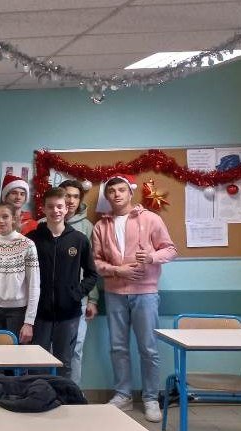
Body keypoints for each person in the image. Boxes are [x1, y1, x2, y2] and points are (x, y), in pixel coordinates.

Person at [93, 174, 176, 422]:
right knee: (118, 347)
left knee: (148, 348)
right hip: (114, 293)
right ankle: (123, 395)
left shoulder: (150, 218)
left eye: (121, 190)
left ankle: (151, 398)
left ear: (130, 192)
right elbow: (96, 261)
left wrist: (151, 257)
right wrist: (117, 270)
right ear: (107, 196)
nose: (116, 194)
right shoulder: (101, 226)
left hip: (145, 293)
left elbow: (170, 249)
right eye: (111, 191)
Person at [27, 188, 98, 381]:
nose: (55, 211)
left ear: (66, 209)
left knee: (64, 363)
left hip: (68, 314)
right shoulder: (33, 239)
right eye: (50, 207)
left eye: (59, 206)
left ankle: (63, 397)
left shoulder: (79, 240)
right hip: (39, 313)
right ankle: (38, 395)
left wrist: (76, 293)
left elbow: (92, 274)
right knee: (37, 363)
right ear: (43, 209)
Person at [47, 179, 99, 384]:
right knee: (49, 349)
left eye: (76, 196)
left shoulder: (87, 227)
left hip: (77, 299)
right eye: (67, 195)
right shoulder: (43, 224)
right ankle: (48, 390)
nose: (71, 200)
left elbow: (91, 266)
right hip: (48, 301)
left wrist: (92, 299)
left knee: (75, 348)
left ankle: (72, 392)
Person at [0, 202, 39, 344]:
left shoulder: (27, 244)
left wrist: (29, 322)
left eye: (5, 216)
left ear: (13, 218)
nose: (1, 220)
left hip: (17, 311)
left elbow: (34, 284)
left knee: (15, 355)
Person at [0, 174, 38, 238]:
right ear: (5, 196)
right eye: (14, 193)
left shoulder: (33, 224)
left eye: (22, 194)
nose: (18, 197)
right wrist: (14, 234)